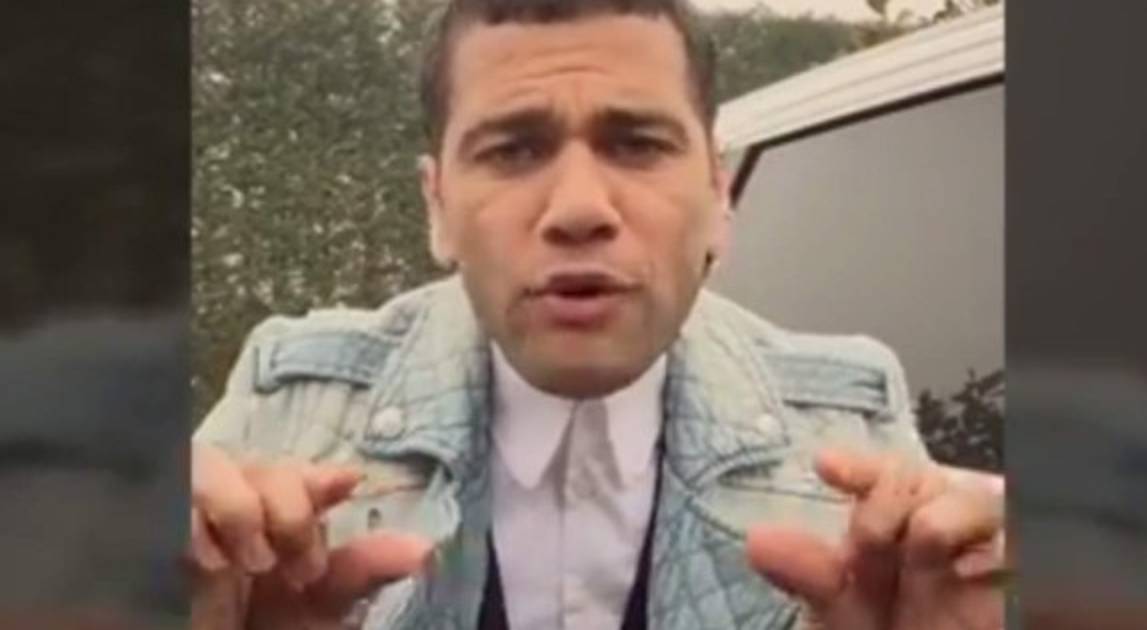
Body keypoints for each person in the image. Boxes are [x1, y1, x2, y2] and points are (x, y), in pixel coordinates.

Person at [190, 0, 1006, 628]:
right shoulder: (290, 407)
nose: (579, 208)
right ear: (436, 207)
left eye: (637, 144)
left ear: (718, 195)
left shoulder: (849, 417)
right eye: (513, 150)